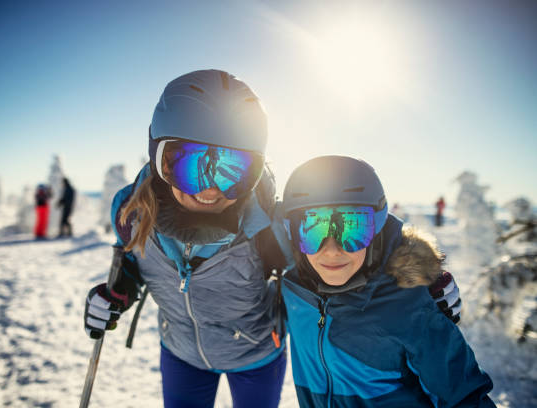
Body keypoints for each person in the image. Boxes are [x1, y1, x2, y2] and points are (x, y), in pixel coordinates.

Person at [82, 70, 462, 408]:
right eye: (192, 165)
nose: (211, 190)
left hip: (257, 356)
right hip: (181, 354)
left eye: (234, 169)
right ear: (158, 156)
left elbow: (351, 241)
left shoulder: (270, 226)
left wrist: (414, 271)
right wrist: (118, 292)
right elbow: (132, 261)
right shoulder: (132, 213)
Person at [281, 155, 494, 407]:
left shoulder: (410, 308)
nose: (332, 250)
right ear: (291, 232)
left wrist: (421, 272)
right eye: (313, 229)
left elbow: (465, 397)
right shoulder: (293, 287)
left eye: (352, 228)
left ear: (377, 228)